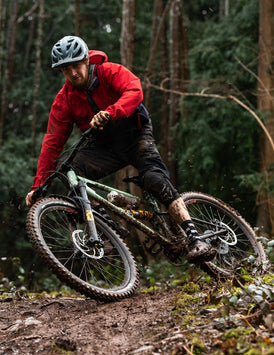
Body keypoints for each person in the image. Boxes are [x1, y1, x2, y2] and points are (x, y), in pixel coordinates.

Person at [25, 35, 214, 262]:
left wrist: (111, 112)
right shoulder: (64, 100)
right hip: (104, 147)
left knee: (155, 179)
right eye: (66, 69)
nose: (73, 73)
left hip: (135, 135)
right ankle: (104, 226)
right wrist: (39, 186)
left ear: (86, 60)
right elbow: (52, 143)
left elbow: (135, 91)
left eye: (76, 65)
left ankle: (195, 237)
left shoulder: (109, 71)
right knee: (70, 168)